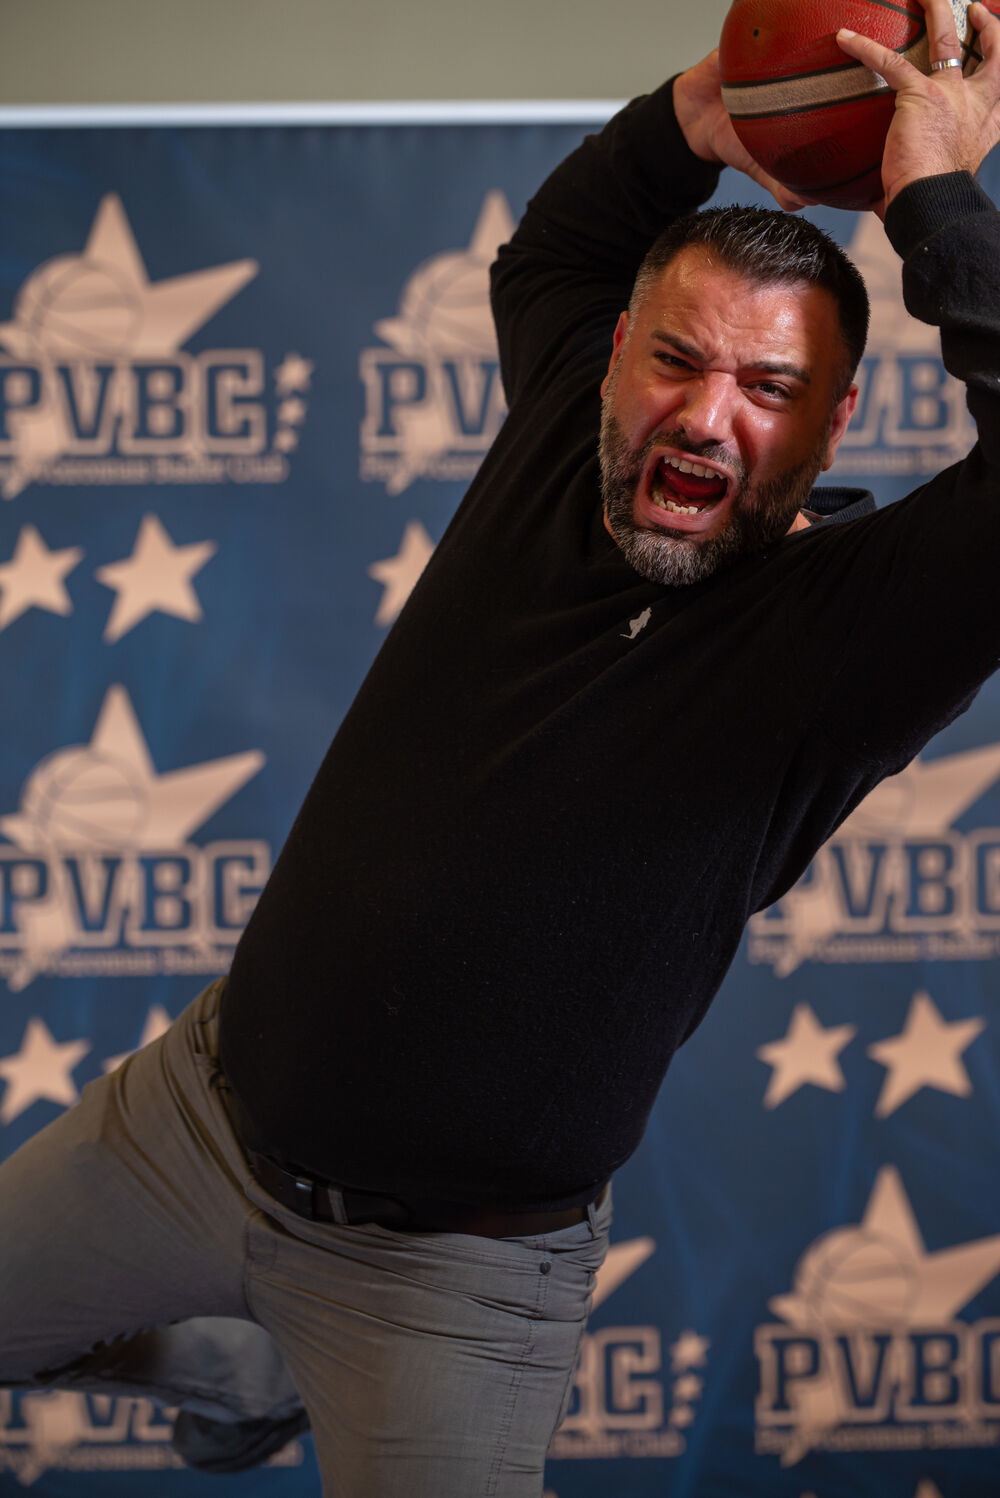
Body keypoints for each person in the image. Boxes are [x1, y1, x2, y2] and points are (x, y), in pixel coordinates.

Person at [3, 3, 1000, 1494]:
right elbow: (555, 250)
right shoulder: (559, 442)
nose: (705, 417)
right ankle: (239, 1362)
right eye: (676, 360)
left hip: (452, 1287)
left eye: (769, 389)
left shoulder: (865, 630)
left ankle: (269, 1358)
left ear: (836, 417)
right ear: (612, 362)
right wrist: (703, 115)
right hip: (192, 1127)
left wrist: (937, 192)